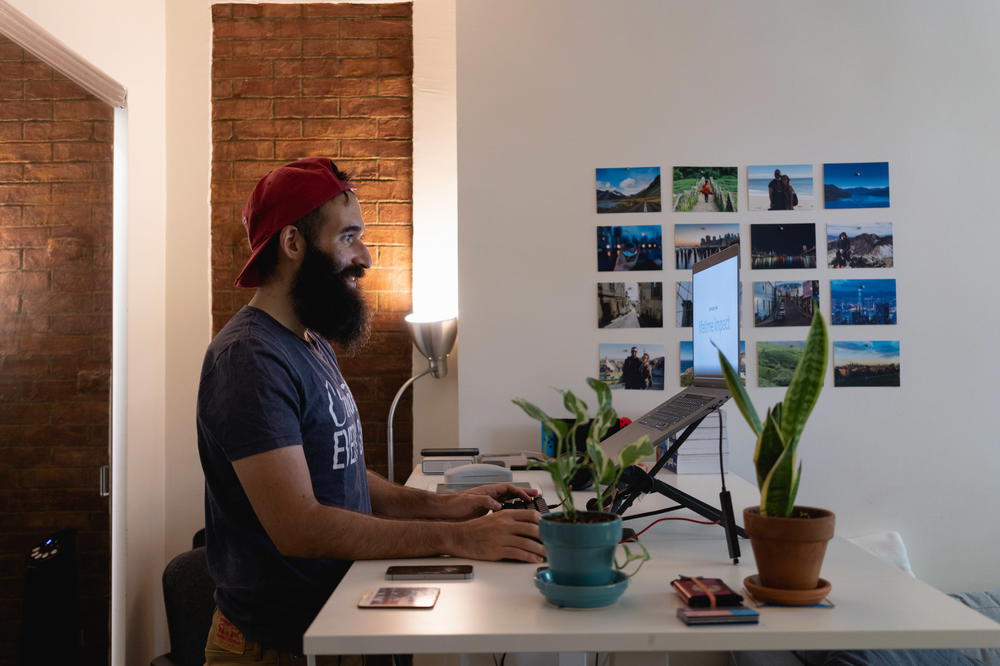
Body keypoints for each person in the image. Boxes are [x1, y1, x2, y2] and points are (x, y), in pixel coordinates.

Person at [197, 158, 544, 664]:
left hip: (336, 617)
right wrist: (458, 538)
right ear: (293, 244)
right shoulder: (249, 359)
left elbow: (340, 474)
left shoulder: (308, 342)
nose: (364, 256)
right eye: (348, 237)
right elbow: (301, 526)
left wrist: (444, 505)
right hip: (275, 645)